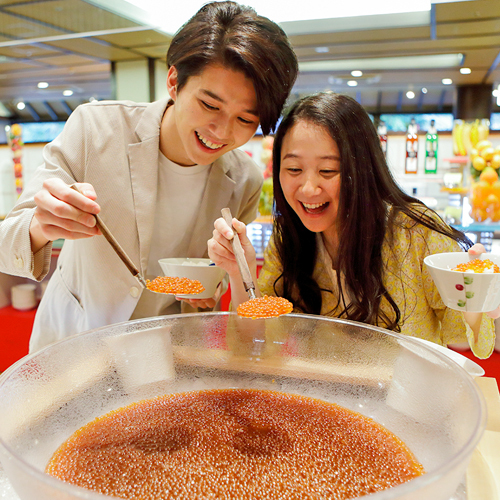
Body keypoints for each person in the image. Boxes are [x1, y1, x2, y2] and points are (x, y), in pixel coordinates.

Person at [0, 1, 298, 352]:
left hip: (164, 352)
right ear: (174, 81)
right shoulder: (96, 129)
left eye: (246, 120)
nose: (221, 131)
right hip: (74, 340)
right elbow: (7, 243)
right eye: (210, 105)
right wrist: (40, 226)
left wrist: (210, 289)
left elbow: (214, 277)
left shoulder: (244, 179)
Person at [209, 92, 497, 359]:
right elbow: (251, 342)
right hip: (325, 402)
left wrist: (476, 296)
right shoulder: (290, 238)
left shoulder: (416, 233)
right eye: (294, 169)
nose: (308, 189)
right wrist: (238, 271)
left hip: (405, 404)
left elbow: (464, 338)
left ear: (363, 170)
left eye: (328, 171)